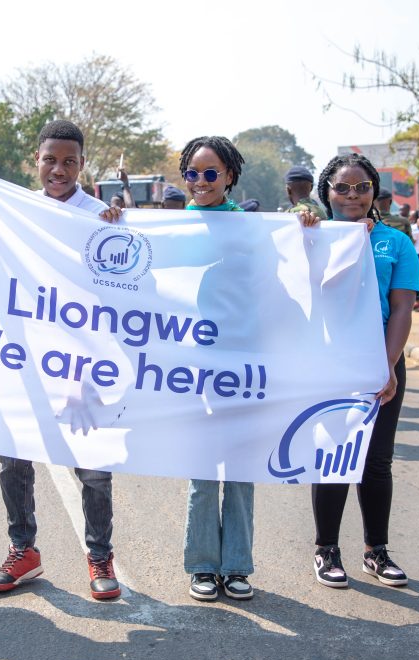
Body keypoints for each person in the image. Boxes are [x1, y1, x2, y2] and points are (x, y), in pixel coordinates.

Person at [0, 120, 124, 601]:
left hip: (82, 363)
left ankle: (99, 555)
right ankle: (24, 550)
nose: (58, 169)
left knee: (94, 466)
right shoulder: (12, 209)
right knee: (13, 458)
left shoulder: (100, 217)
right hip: (21, 358)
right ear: (35, 162)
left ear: (83, 165)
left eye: (69, 161)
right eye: (49, 160)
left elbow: (112, 301)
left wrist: (85, 371)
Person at [310, 152, 419, 589]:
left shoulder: (396, 243)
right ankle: (326, 550)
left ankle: (376, 551)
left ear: (374, 191)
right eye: (342, 187)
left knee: (376, 462)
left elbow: (402, 309)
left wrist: (387, 367)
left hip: (381, 361)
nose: (352, 195)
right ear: (327, 193)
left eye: (362, 187)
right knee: (334, 457)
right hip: (328, 360)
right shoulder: (309, 236)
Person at [178, 135, 255, 601]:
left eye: (211, 173)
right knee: (203, 471)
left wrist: (309, 223)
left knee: (241, 469)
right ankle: (204, 565)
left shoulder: (254, 227)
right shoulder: (168, 227)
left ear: (229, 176)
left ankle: (238, 566)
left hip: (242, 365)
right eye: (192, 173)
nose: (200, 182)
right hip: (191, 367)